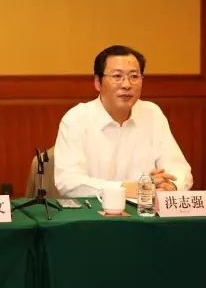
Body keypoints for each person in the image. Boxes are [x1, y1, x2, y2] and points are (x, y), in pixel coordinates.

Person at [54, 45, 193, 198]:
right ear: (98, 82)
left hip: (145, 209)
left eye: (134, 76)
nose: (127, 85)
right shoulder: (76, 119)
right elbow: (68, 182)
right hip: (95, 211)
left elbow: (180, 170)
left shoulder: (152, 114)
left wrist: (171, 186)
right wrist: (129, 189)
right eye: (117, 76)